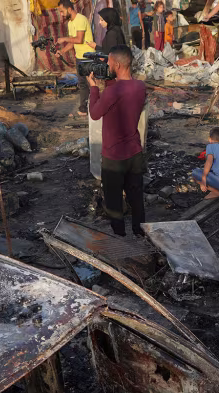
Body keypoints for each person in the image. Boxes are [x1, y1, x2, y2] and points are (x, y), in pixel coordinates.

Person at [89, 46, 147, 237]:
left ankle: (120, 239)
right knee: (136, 198)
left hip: (114, 156)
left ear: (118, 64)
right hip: (134, 153)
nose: (107, 64)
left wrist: (93, 88)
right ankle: (140, 234)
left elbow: (95, 113)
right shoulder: (140, 87)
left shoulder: (112, 92)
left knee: (114, 202)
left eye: (110, 62)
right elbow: (121, 95)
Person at [57, 0, 92, 116]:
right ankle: (85, 108)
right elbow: (73, 43)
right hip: (80, 57)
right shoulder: (70, 23)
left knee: (89, 83)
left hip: (88, 56)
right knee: (82, 83)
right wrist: (61, 51)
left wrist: (64, 39)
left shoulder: (80, 19)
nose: (61, 14)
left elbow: (79, 39)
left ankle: (89, 107)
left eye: (62, 11)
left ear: (69, 9)